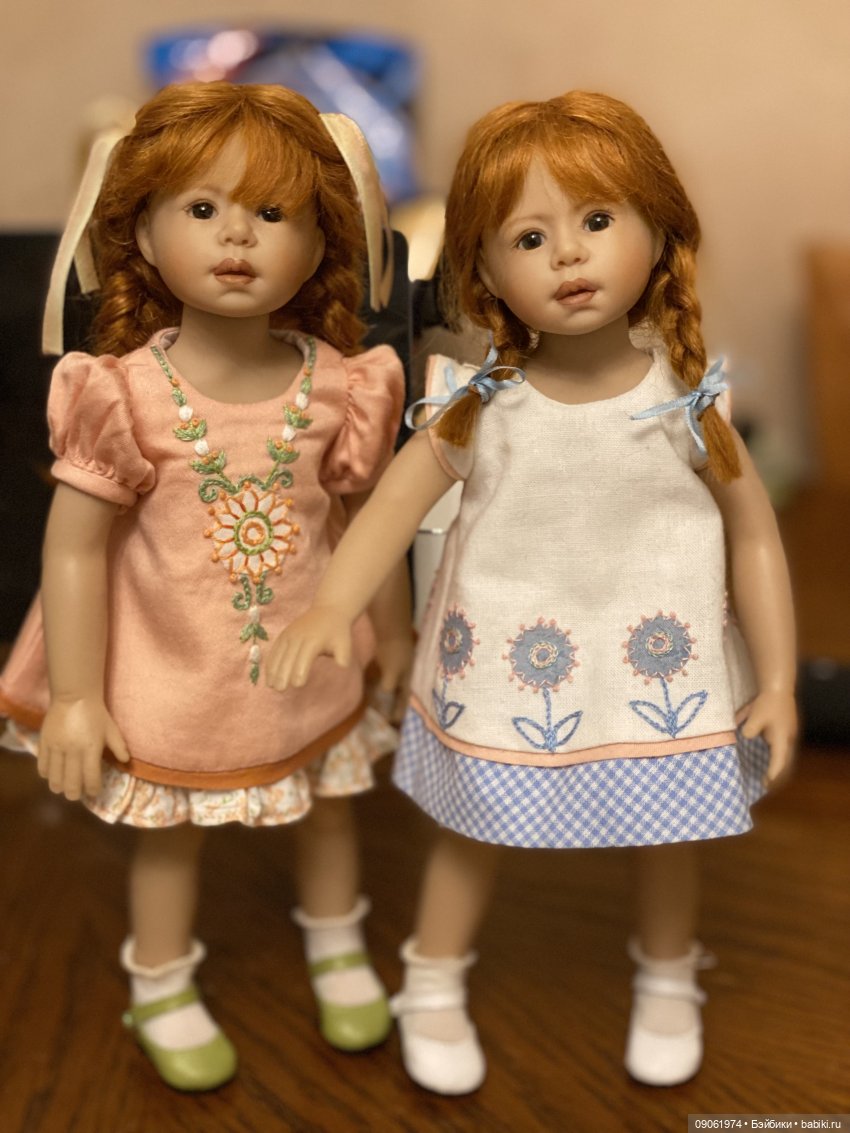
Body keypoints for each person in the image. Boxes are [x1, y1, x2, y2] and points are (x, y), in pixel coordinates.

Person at [267, 91, 797, 1095]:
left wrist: (775, 679)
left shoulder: (686, 402)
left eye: (596, 220)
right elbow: (391, 506)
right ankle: (433, 973)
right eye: (529, 236)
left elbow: (755, 536)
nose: (569, 256)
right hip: (513, 665)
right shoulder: (483, 406)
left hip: (659, 670)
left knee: (669, 831)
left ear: (658, 232)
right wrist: (334, 604)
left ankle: (668, 970)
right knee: (472, 828)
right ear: (483, 270)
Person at [0, 81, 411, 1091]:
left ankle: (335, 938)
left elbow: (370, 526)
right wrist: (78, 695)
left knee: (329, 806)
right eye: (201, 207)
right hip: (172, 672)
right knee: (169, 837)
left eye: (271, 212)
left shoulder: (344, 385)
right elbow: (75, 551)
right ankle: (160, 979)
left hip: (309, 666)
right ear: (141, 231)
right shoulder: (121, 393)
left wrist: (395, 637)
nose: (236, 236)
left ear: (320, 244)